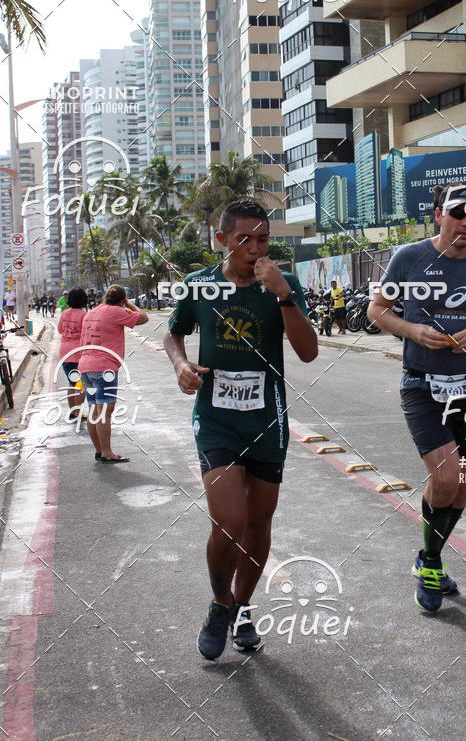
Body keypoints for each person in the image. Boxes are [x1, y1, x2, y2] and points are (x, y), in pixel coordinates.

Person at [164, 199, 317, 660]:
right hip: (216, 420)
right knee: (228, 523)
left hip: (267, 421)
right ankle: (219, 604)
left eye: (263, 239)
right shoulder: (200, 286)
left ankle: (244, 608)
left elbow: (308, 352)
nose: (254, 248)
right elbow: (173, 333)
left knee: (257, 524)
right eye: (243, 239)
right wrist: (180, 365)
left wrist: (284, 295)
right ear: (222, 241)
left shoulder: (281, 285)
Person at [368, 184, 466, 613]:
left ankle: (431, 558)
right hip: (421, 385)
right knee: (444, 478)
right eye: (458, 213)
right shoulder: (409, 257)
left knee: (460, 488)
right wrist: (411, 329)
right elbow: (376, 311)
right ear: (438, 214)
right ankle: (430, 562)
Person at [78, 285, 148, 463]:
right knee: (105, 412)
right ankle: (107, 452)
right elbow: (144, 318)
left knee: (94, 410)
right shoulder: (116, 311)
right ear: (121, 300)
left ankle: (99, 450)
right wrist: (130, 305)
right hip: (104, 368)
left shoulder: (91, 313)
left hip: (85, 366)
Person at [57, 287, 89, 424]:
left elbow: (59, 329)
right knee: (81, 384)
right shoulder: (84, 315)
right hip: (78, 352)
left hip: (65, 352)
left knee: (71, 382)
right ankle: (79, 412)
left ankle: (72, 411)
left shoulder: (64, 313)